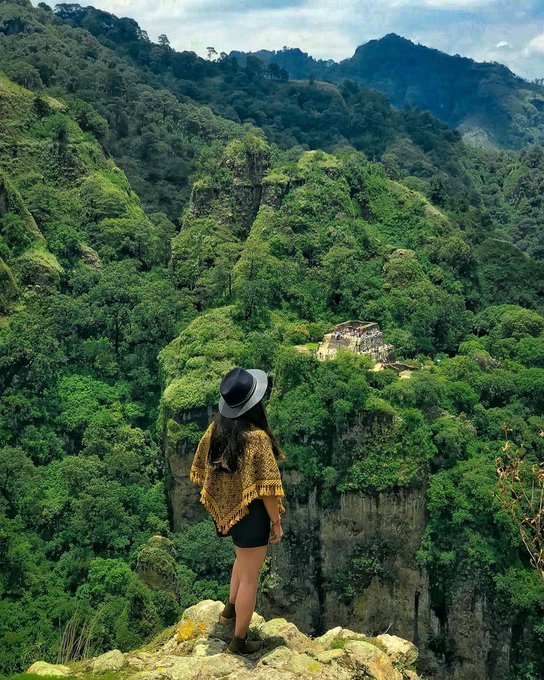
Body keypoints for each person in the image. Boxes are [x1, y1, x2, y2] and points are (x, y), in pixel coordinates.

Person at [189, 366, 287, 655]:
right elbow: (268, 489)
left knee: (240, 562)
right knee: (250, 578)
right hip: (252, 514)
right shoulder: (256, 438)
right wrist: (277, 522)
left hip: (231, 512)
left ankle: (229, 611)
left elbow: (201, 468)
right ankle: (239, 640)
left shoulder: (216, 428)